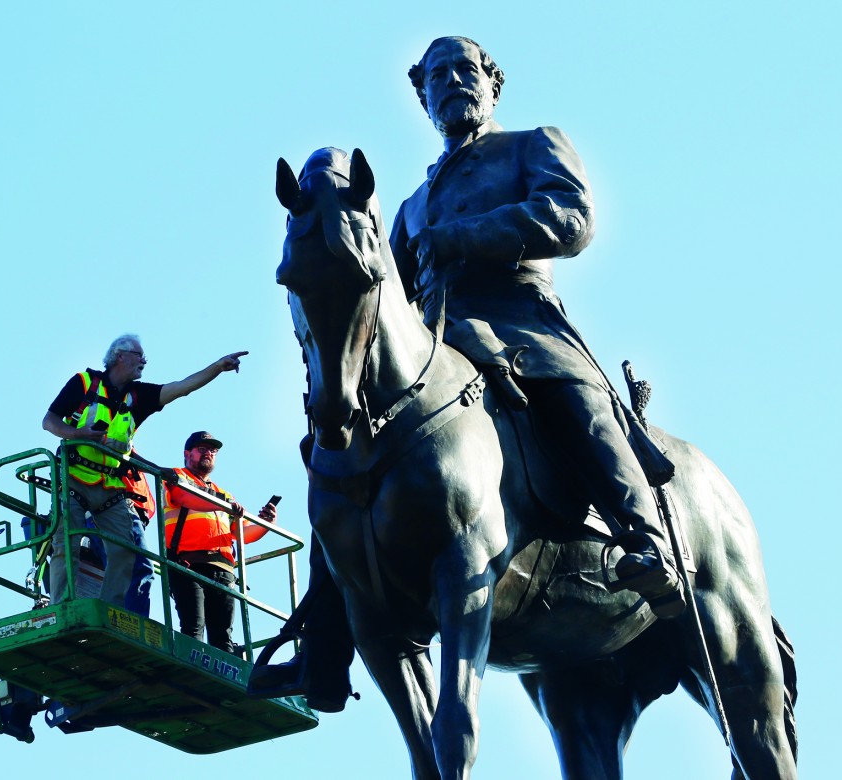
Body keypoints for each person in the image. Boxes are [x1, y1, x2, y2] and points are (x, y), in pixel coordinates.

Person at [250, 37, 685, 708]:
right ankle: (325, 650)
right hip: (433, 347)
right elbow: (378, 294)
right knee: (337, 469)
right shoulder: (412, 203)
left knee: (577, 400)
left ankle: (645, 539)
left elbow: (573, 219)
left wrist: (466, 236)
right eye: (437, 78)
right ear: (422, 97)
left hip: (522, 323)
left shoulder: (530, 146)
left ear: (491, 84)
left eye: (465, 71)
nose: (452, 83)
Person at [42, 334, 248, 608]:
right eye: (140, 356)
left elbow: (181, 387)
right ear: (120, 356)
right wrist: (77, 433)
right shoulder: (84, 383)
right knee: (67, 544)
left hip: (110, 487)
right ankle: (62, 609)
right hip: (74, 480)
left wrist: (217, 367)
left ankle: (111, 613)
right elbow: (49, 421)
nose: (144, 362)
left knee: (127, 551)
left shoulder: (138, 397)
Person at [162, 431, 277, 653]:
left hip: (224, 570)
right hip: (188, 564)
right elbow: (186, 497)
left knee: (223, 637)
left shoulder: (223, 494)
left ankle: (225, 678)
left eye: (212, 451)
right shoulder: (177, 477)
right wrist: (221, 504)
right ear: (187, 454)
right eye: (202, 449)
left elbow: (243, 535)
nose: (209, 454)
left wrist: (265, 524)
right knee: (193, 629)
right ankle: (191, 673)